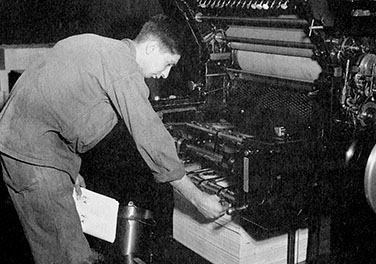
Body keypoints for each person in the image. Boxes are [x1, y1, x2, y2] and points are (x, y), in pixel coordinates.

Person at [0, 14, 228, 264]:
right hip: (33, 156)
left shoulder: (101, 48)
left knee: (60, 243)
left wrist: (65, 167)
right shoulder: (123, 68)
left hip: (23, 144)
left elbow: (57, 102)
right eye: (168, 64)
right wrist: (197, 197)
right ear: (151, 48)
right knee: (67, 255)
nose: (165, 75)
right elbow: (150, 136)